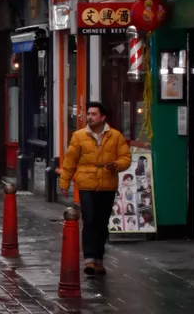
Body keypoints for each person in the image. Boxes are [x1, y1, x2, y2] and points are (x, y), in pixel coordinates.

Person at [59, 101, 132, 276]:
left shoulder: (115, 136)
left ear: (103, 117)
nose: (89, 117)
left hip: (107, 184)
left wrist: (117, 165)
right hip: (86, 183)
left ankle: (99, 259)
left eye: (93, 114)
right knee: (89, 220)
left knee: (102, 223)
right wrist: (64, 182)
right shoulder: (79, 136)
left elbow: (126, 158)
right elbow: (70, 161)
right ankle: (89, 260)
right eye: (88, 114)